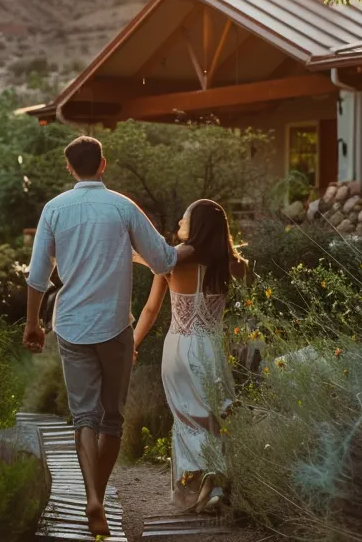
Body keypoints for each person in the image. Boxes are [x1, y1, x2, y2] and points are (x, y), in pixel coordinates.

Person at [24, 135, 178, 537]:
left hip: (72, 325)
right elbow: (163, 259)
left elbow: (38, 276)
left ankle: (93, 496)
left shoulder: (54, 209)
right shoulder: (123, 207)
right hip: (115, 326)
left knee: (83, 416)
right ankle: (100, 493)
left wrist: (33, 324)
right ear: (103, 164)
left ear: (69, 168)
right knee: (112, 417)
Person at [133, 198, 250, 514]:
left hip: (179, 347)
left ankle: (201, 485)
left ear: (195, 225)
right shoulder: (234, 264)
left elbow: (151, 309)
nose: (179, 224)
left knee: (187, 420)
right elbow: (250, 293)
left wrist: (132, 343)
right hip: (211, 348)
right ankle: (216, 484)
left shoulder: (172, 262)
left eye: (184, 218)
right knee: (213, 417)